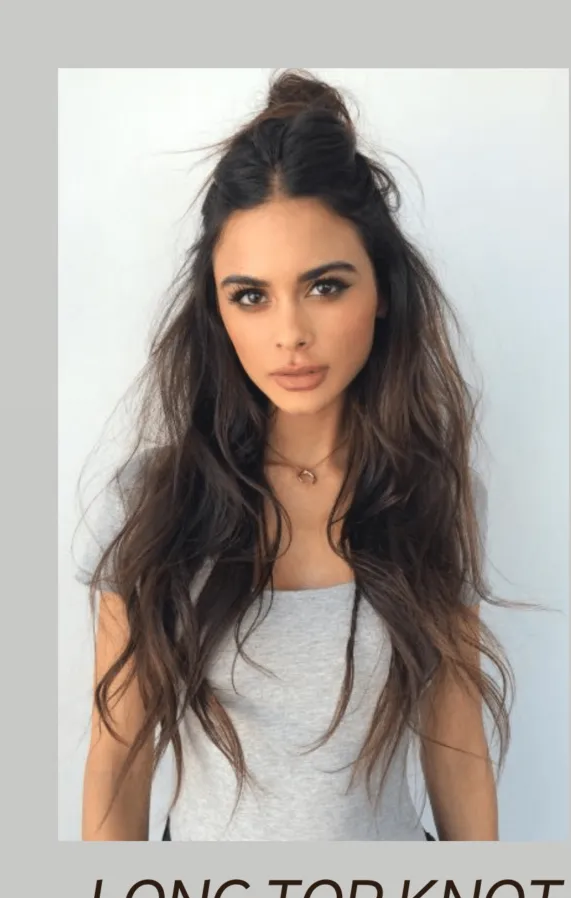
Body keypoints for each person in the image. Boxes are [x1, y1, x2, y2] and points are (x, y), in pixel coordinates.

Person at [77, 69, 514, 842]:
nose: (289, 335)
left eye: (324, 287)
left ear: (381, 289)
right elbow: (118, 761)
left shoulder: (434, 495)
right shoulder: (149, 499)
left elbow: (455, 746)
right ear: (217, 311)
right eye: (251, 296)